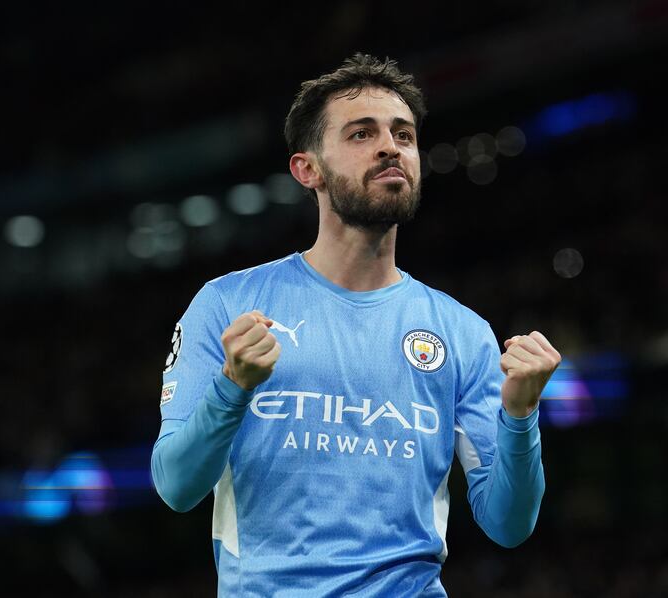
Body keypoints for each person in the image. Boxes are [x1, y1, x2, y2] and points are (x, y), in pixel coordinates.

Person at [151, 53, 561, 597]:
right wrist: (232, 387)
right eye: (362, 134)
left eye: (404, 135)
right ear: (308, 169)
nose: (391, 146)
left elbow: (508, 525)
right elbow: (176, 486)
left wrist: (520, 414)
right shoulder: (228, 304)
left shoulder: (461, 332)